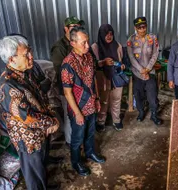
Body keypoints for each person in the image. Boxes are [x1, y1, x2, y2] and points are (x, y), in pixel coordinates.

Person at [0, 35, 60, 190]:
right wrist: (52, 122)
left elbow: (41, 97)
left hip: (41, 132)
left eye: (30, 51)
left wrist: (50, 116)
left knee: (41, 167)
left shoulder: (26, 72)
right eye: (26, 54)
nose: (31, 56)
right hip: (28, 139)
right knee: (34, 175)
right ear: (11, 59)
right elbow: (28, 117)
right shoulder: (7, 86)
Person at [61, 26, 105, 176]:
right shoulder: (67, 64)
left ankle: (90, 152)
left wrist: (97, 98)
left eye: (87, 42)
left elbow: (93, 80)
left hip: (91, 104)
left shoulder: (89, 58)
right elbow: (67, 93)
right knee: (77, 137)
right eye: (83, 43)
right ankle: (76, 162)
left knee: (91, 133)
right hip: (78, 108)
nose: (87, 46)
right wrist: (77, 113)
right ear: (73, 43)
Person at [50, 16, 85, 146]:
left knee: (79, 115)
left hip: (80, 88)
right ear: (65, 29)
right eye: (73, 27)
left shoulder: (80, 43)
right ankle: (70, 143)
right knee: (70, 116)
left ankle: (78, 139)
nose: (76, 29)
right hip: (68, 89)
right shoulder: (59, 47)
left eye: (78, 26)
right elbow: (61, 71)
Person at [127, 17, 161, 125]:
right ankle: (141, 112)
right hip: (137, 73)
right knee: (138, 94)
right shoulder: (131, 40)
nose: (142, 29)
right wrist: (142, 70)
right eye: (139, 27)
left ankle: (154, 115)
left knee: (152, 94)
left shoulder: (153, 38)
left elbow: (155, 54)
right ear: (135, 28)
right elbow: (131, 57)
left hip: (150, 72)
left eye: (144, 26)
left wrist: (148, 68)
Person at [91, 24, 125, 132]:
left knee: (116, 99)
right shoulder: (95, 47)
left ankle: (116, 120)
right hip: (102, 77)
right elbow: (92, 64)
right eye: (106, 34)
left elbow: (121, 60)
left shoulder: (118, 46)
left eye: (111, 34)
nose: (109, 36)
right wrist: (103, 62)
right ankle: (101, 121)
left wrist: (121, 65)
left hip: (116, 76)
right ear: (101, 34)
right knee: (103, 101)